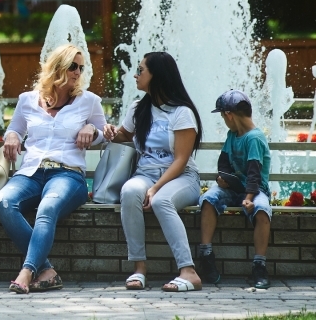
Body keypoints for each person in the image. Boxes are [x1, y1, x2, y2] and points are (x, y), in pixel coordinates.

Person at [0, 44, 106, 294]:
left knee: (47, 207)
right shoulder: (27, 100)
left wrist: (93, 130)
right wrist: (12, 136)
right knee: (3, 202)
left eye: (81, 67)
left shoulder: (89, 101)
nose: (78, 72)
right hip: (31, 172)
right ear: (57, 67)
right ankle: (45, 270)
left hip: (68, 175)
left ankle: (26, 272)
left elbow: (105, 134)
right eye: (73, 66)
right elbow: (14, 128)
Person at [103, 52, 204, 292]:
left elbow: (180, 160)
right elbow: (125, 135)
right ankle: (139, 269)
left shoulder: (182, 113)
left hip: (182, 177)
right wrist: (109, 131)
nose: (135, 75)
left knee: (161, 201)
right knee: (129, 191)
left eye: (141, 70)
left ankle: (189, 272)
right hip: (145, 174)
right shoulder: (139, 108)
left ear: (156, 76)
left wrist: (156, 188)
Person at [198, 90, 272, 289]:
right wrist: (222, 178)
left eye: (222, 116)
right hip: (234, 188)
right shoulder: (232, 135)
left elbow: (255, 172)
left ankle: (259, 266)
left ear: (229, 114)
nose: (223, 120)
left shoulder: (254, 138)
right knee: (208, 199)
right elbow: (224, 163)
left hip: (255, 190)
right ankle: (205, 255)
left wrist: (249, 198)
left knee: (262, 211)